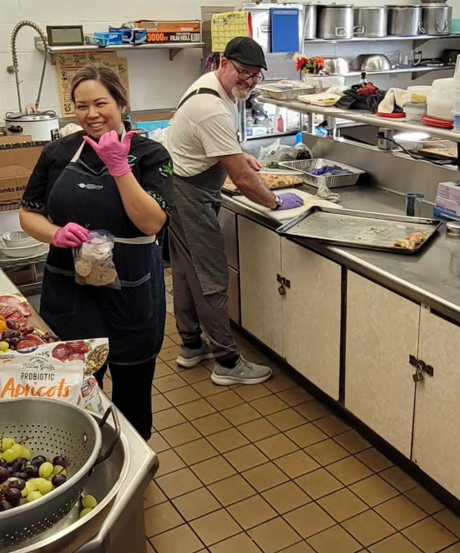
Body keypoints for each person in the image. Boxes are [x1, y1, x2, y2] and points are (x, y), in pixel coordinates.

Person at [19, 66, 173, 440]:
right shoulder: (58, 152)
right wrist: (55, 233)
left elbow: (152, 223)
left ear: (121, 104)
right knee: (76, 386)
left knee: (133, 388)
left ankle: (133, 470)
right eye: (81, 105)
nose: (91, 114)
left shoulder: (150, 154)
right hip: (70, 291)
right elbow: (27, 213)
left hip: (131, 291)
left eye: (101, 103)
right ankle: (86, 456)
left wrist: (119, 167)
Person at [165, 37, 303, 386]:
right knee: (210, 277)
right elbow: (241, 179)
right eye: (243, 73)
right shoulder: (210, 106)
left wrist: (238, 152)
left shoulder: (211, 87)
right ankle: (227, 361)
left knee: (185, 271)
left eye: (255, 76)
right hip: (191, 195)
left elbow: (223, 149)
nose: (249, 82)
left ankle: (192, 345)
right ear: (223, 63)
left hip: (179, 189)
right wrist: (274, 201)